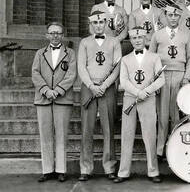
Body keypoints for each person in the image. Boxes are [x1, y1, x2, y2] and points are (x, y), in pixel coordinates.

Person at [114, 27, 165, 184]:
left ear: (145, 39)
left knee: (149, 135)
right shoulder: (125, 59)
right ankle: (123, 172)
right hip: (130, 98)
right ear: (131, 39)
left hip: (148, 99)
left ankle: (153, 170)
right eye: (134, 38)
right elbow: (123, 81)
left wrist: (147, 91)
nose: (137, 41)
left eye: (140, 38)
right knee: (127, 134)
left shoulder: (155, 57)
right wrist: (137, 92)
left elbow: (161, 79)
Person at [78, 10, 122, 181]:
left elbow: (117, 67)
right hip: (89, 88)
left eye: (101, 23)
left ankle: (109, 166)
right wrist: (91, 85)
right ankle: (85, 168)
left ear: (105, 23)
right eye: (95, 23)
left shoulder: (114, 42)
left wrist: (104, 86)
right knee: (86, 129)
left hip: (107, 88)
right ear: (91, 24)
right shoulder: (84, 42)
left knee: (109, 129)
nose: (98, 26)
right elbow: (81, 66)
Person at [31, 22, 77, 182]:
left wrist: (57, 91)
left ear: (63, 35)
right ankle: (47, 169)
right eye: (52, 33)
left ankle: (61, 169)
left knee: (62, 135)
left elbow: (71, 75)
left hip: (62, 99)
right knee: (45, 135)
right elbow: (35, 73)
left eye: (58, 33)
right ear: (47, 35)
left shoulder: (70, 53)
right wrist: (46, 90)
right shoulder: (39, 53)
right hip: (43, 99)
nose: (55, 35)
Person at [149, 3, 190, 159]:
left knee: (176, 114)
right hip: (163, 76)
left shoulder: (185, 35)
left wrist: (187, 77)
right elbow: (151, 59)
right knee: (162, 114)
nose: (173, 18)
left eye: (176, 15)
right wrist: (155, 81)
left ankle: (175, 146)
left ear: (180, 17)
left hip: (180, 75)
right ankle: (160, 148)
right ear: (165, 16)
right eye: (170, 15)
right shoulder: (157, 35)